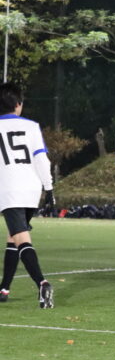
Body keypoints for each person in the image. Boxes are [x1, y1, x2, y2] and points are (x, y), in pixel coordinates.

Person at [0, 82, 55, 308]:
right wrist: (49, 188)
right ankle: (4, 288)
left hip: (9, 190)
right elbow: (42, 159)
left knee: (21, 239)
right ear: (18, 104)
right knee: (13, 237)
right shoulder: (32, 126)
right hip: (32, 190)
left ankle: (42, 284)